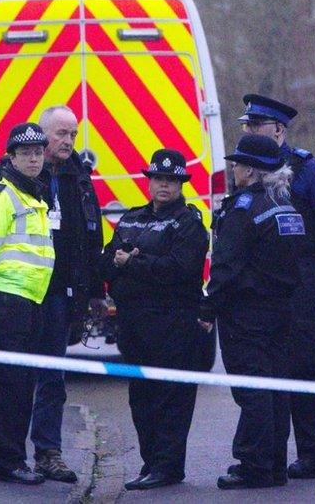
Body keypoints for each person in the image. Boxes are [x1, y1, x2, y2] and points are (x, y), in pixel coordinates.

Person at [0, 105, 106, 482]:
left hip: (58, 294)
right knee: (12, 375)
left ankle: (48, 453)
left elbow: (91, 238)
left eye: (73, 134)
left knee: (52, 378)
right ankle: (3, 450)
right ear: (41, 135)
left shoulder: (79, 179)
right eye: (60, 134)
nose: (68, 141)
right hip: (19, 295)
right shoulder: (11, 178)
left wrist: (93, 294)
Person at [237, 94, 315, 479]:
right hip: (259, 289)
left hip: (297, 285)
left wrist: (305, 263)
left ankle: (312, 455)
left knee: (302, 368)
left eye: (256, 125)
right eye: (246, 125)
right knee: (268, 369)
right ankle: (271, 456)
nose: (248, 132)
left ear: (279, 129)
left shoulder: (307, 170)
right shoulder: (247, 167)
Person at [99, 149, 208, 491]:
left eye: (171, 180)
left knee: (170, 400)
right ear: (149, 182)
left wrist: (133, 262)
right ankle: (151, 464)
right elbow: (107, 260)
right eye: (159, 179)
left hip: (173, 326)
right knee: (141, 400)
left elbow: (179, 269)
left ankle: (168, 467)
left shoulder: (188, 223)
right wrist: (124, 265)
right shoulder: (131, 219)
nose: (164, 186)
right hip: (134, 326)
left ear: (180, 184)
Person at [204, 133, 307, 490]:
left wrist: (208, 306)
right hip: (281, 311)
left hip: (246, 315)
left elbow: (227, 265)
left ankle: (254, 465)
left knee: (252, 391)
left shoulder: (244, 208)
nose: (233, 169)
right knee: (275, 387)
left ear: (250, 170)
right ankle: (275, 464)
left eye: (237, 164)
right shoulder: (287, 208)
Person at [0, 122, 55, 485]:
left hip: (29, 302)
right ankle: (7, 460)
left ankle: (8, 457)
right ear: (11, 157)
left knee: (20, 384)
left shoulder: (33, 196)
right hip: (8, 303)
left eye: (38, 152)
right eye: (26, 153)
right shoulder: (1, 197)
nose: (34, 158)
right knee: (11, 386)